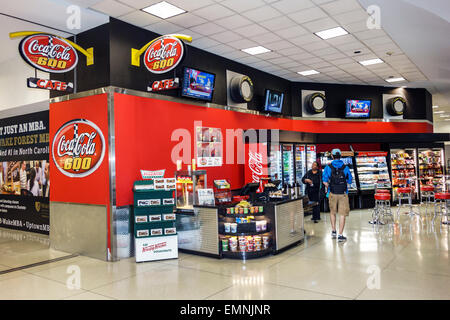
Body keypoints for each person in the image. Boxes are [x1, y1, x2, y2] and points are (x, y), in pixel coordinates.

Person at [322, 149, 353, 242]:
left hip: (332, 193)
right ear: (340, 156)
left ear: (332, 156)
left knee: (332, 212)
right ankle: (340, 235)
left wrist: (330, 186)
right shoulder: (345, 167)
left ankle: (333, 231)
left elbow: (324, 181)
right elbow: (350, 181)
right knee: (342, 214)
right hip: (343, 194)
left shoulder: (328, 167)